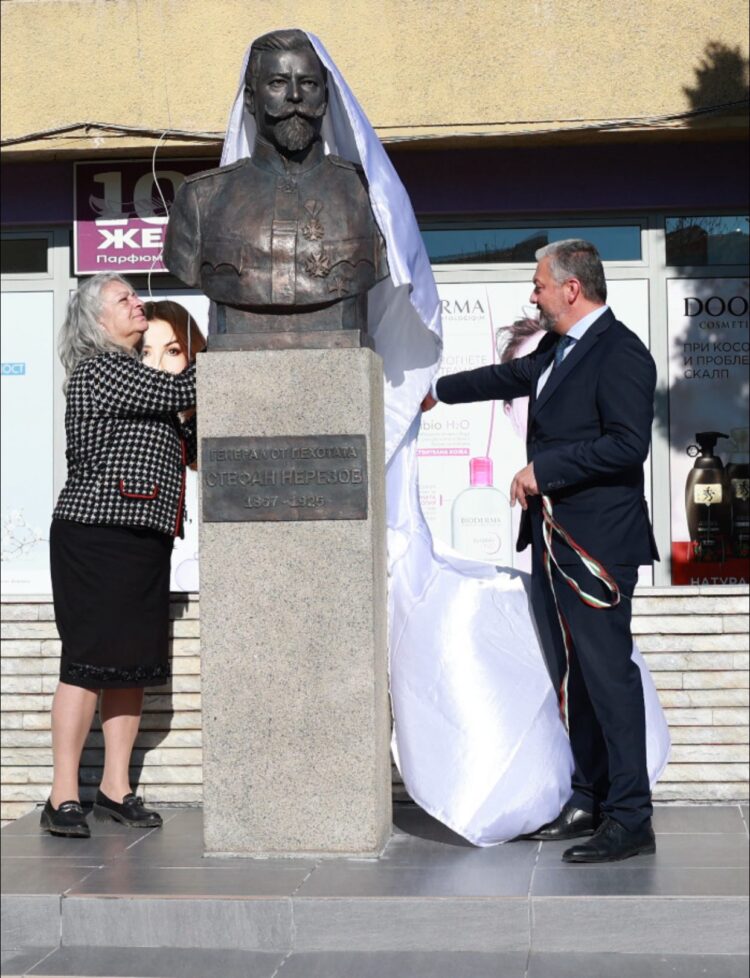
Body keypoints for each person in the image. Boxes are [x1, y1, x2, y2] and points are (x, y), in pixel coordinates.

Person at [423, 239, 660, 862]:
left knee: (608, 677)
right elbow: (505, 377)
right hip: (554, 541)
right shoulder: (558, 349)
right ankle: (589, 797)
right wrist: (435, 390)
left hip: (597, 547)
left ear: (571, 288)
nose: (533, 295)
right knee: (574, 677)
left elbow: (628, 445)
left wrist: (543, 470)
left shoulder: (621, 352)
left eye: (539, 285)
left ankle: (630, 817)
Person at [42, 274, 197, 838]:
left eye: (135, 294)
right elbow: (180, 390)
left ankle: (114, 789)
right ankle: (62, 795)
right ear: (96, 321)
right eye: (123, 298)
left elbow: (184, 437)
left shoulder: (136, 377)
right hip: (96, 537)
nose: (138, 302)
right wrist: (227, 352)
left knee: (131, 666)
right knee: (86, 665)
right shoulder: (101, 369)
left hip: (142, 539)